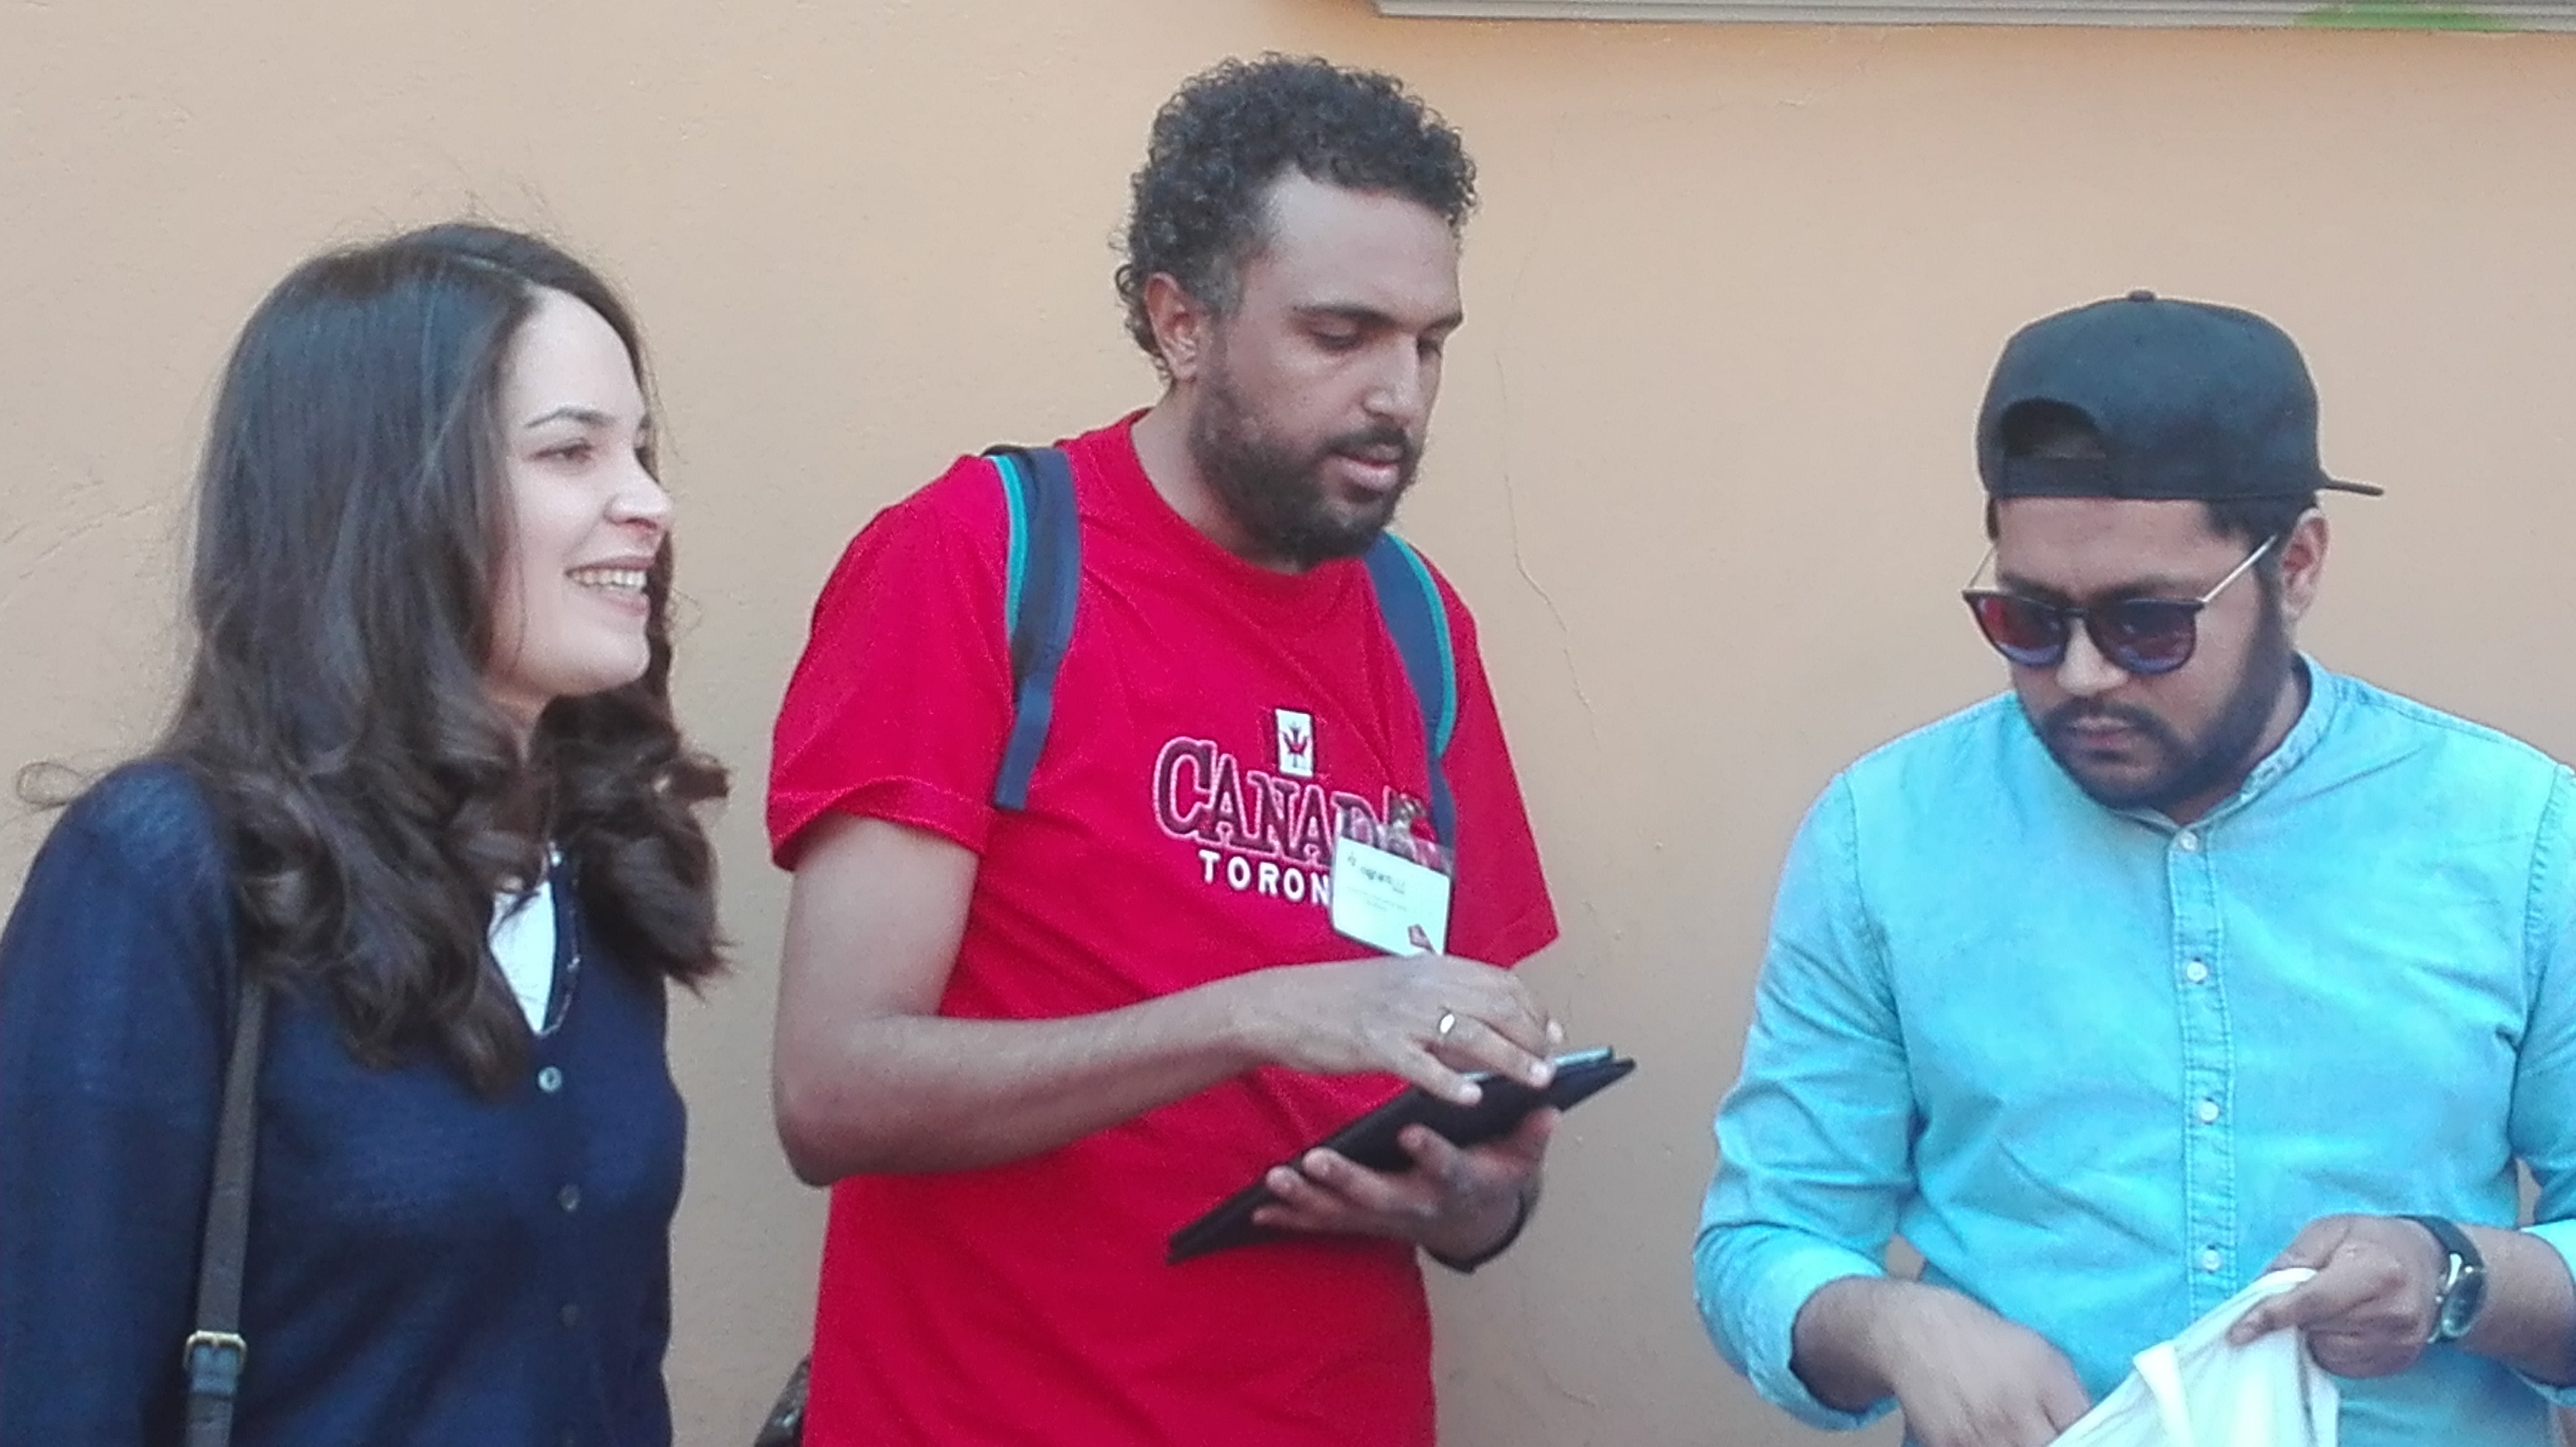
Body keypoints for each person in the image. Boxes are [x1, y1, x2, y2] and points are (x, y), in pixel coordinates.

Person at [768, 55, 1562, 1447]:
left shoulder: (1419, 628)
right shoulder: (980, 558)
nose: (1399, 395)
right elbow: (833, 1092)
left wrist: (1473, 1198)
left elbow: (1470, 1122)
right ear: (1180, 321)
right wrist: (1254, 1015)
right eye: (1341, 335)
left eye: (1428, 343)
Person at [1692, 290, 2576, 1446]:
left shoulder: (2516, 835)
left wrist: (2454, 1275)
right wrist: (1897, 1326)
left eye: (2148, 625)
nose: (2083, 675)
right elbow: (1762, 1240)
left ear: (2297, 567)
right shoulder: (1886, 835)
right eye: (2026, 620)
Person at [0, 223, 726, 1445]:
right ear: (391, 496)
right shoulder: (167, 867)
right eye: (570, 451)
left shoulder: (600, 869)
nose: (647, 503)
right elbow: (55, 1382)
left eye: (640, 449)